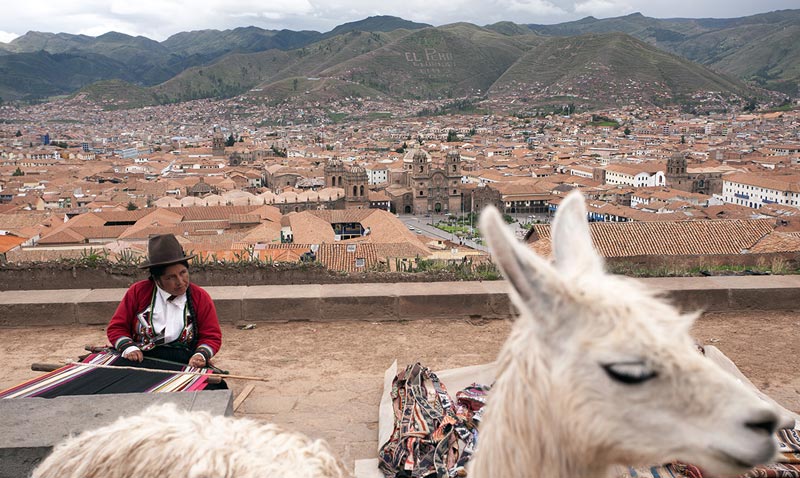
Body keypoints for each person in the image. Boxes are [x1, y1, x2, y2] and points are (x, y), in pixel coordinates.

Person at [107, 234, 222, 368]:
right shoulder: (138, 292)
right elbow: (117, 328)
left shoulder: (200, 297)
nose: (180, 282)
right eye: (170, 277)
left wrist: (200, 355)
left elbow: (211, 336)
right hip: (141, 358)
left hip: (185, 361)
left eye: (183, 272)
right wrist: (129, 348)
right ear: (157, 279)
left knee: (212, 387)